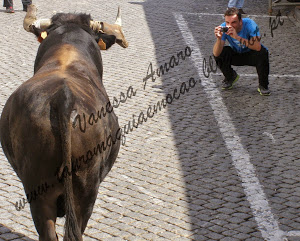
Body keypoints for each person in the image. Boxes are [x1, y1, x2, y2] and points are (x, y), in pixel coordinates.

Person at [213, 7, 270, 96]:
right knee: (221, 52)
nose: (230, 26)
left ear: (241, 21)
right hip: (237, 53)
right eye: (227, 22)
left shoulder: (251, 24)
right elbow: (216, 54)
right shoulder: (224, 27)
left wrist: (237, 37)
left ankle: (263, 85)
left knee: (262, 53)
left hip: (251, 54)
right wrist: (219, 39)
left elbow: (257, 47)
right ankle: (230, 76)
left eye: (233, 22)